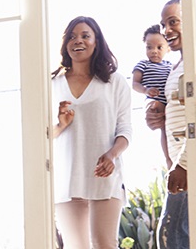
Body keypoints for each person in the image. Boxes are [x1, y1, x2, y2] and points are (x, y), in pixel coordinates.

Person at [49, 16, 132, 249]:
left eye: (85, 35)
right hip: (67, 177)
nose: (78, 41)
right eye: (72, 37)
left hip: (104, 176)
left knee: (104, 243)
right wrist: (61, 125)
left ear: (97, 42)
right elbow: (44, 137)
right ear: (65, 44)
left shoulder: (114, 82)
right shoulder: (52, 84)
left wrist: (112, 155)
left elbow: (125, 130)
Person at [146, 0, 191, 249]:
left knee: (171, 236)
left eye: (173, 22)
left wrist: (183, 165)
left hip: (191, 167)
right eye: (164, 24)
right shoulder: (177, 67)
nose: (166, 30)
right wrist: (159, 116)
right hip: (181, 165)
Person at [132, 24, 175, 173]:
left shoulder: (170, 66)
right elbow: (135, 84)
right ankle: (168, 159)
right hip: (152, 99)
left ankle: (170, 158)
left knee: (166, 130)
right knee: (156, 108)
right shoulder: (143, 64)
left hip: (167, 101)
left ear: (168, 48)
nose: (153, 51)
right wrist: (146, 90)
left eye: (159, 47)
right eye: (149, 47)